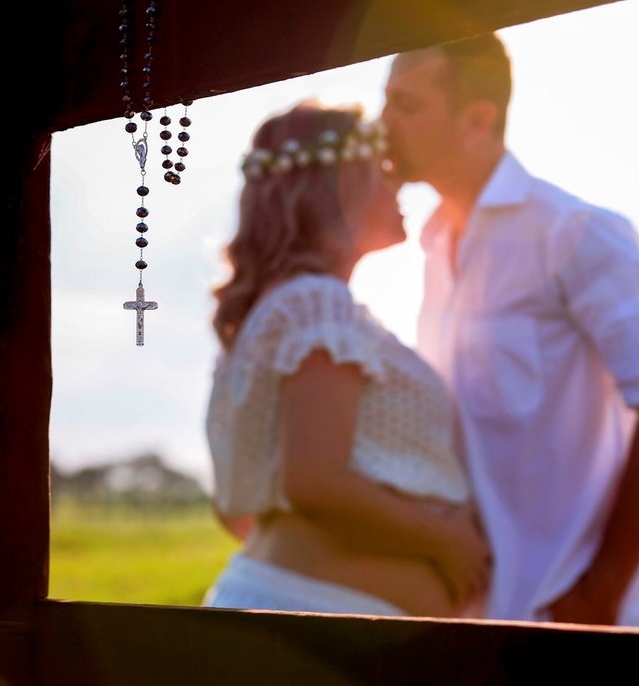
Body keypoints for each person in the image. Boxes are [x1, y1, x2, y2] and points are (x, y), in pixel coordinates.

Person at [380, 33, 639, 628]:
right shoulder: (429, 247)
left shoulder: (574, 234)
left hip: (573, 625)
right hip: (476, 620)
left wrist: (599, 594)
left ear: (477, 118)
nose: (381, 124)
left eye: (405, 104)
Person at [202, 99, 491, 618]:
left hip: (300, 610)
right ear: (342, 184)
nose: (398, 185)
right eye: (382, 169)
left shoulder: (272, 317)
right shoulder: (317, 304)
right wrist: (448, 541)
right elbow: (313, 481)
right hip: (319, 622)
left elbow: (240, 511)